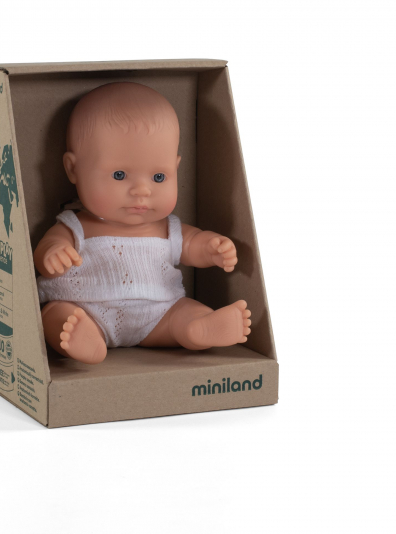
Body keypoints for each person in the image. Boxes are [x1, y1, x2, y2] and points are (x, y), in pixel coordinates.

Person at [34, 82, 251, 364]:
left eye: (159, 177)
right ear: (73, 169)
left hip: (159, 314)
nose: (142, 191)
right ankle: (84, 340)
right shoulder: (76, 226)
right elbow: (48, 247)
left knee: (183, 312)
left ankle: (198, 327)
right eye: (120, 175)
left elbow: (191, 244)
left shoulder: (166, 227)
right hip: (85, 310)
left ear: (176, 167)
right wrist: (52, 253)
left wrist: (211, 247)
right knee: (55, 314)